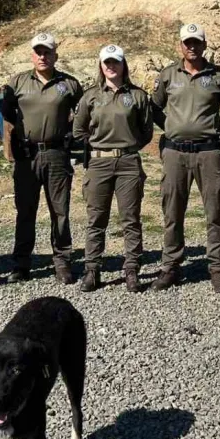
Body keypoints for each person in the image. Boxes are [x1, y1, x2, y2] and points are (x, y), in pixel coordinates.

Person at [150, 23, 220, 293]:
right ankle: (171, 266)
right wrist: (171, 127)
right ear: (180, 45)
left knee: (215, 211)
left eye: (196, 42)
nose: (192, 47)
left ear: (204, 44)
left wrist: (219, 127)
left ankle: (218, 268)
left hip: (209, 153)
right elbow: (154, 108)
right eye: (187, 42)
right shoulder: (167, 75)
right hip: (175, 153)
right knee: (172, 212)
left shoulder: (219, 76)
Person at [1, 32, 84, 284]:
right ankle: (21, 265)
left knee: (60, 211)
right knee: (25, 212)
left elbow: (84, 116)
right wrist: (9, 149)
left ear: (55, 55)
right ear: (31, 55)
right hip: (27, 157)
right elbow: (4, 116)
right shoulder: (17, 83)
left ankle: (62, 262)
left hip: (57, 154)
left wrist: (75, 143)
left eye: (47, 51)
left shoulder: (70, 84)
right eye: (38, 52)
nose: (42, 56)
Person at [73, 45, 153, 293]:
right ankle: (92, 270)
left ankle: (131, 270)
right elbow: (78, 130)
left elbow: (146, 132)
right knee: (96, 219)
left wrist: (126, 146)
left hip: (128, 163)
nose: (110, 66)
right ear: (100, 66)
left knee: (130, 219)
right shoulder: (91, 96)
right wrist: (100, 146)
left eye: (115, 62)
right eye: (106, 62)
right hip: (98, 163)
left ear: (123, 65)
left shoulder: (138, 96)